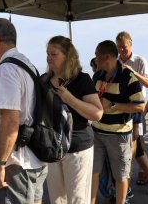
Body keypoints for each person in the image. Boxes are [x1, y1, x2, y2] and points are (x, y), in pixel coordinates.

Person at [0, 18, 47, 204]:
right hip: (34, 157)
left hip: (15, 163)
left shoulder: (7, 69)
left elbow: (10, 121)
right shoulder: (27, 65)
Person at [44, 36, 103, 204]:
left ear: (67, 56)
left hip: (77, 147)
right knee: (57, 199)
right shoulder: (45, 81)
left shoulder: (82, 79)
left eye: (53, 54)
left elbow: (97, 113)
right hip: (52, 148)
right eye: (47, 54)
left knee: (77, 199)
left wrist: (70, 99)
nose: (49, 58)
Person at [90, 40, 145, 204]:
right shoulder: (97, 76)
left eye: (96, 55)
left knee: (120, 175)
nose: (95, 58)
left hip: (119, 135)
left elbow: (140, 106)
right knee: (93, 172)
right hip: (96, 132)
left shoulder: (128, 77)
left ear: (106, 56)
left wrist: (113, 105)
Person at [115, 32, 148, 194]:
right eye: (119, 48)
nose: (122, 51)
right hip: (121, 107)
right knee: (130, 148)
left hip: (136, 108)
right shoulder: (116, 61)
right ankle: (146, 179)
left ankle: (141, 178)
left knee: (136, 146)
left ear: (130, 44)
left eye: (124, 47)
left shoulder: (140, 61)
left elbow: (147, 83)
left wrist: (132, 72)